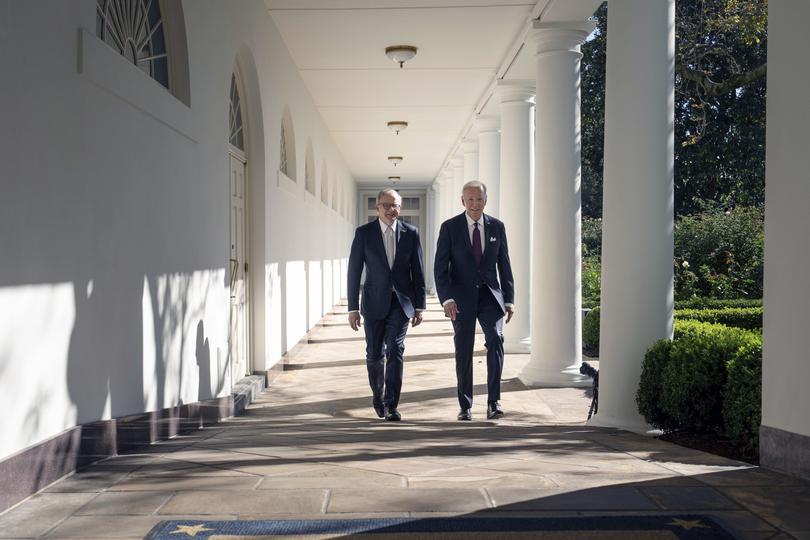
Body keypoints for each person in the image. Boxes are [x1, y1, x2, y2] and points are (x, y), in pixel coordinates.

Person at [434, 181, 514, 421]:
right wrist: (446, 298)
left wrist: (509, 300)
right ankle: (465, 405)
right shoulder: (449, 228)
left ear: (485, 201)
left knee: (496, 340)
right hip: (461, 299)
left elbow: (505, 265)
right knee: (464, 349)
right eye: (470, 199)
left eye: (479, 199)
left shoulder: (497, 227)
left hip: (491, 297)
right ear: (462, 201)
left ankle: (493, 402)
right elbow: (440, 268)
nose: (474, 204)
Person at [347, 189, 426, 421]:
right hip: (373, 302)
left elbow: (418, 271)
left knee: (396, 349)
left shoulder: (411, 233)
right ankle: (378, 396)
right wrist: (352, 308)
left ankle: (392, 404)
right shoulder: (364, 234)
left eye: (396, 206)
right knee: (374, 353)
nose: (392, 210)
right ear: (377, 208)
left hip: (401, 303)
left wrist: (419, 305)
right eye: (387, 205)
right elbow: (354, 272)